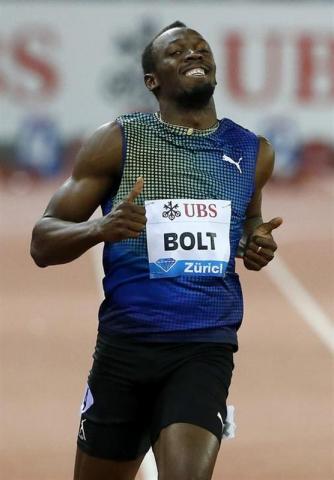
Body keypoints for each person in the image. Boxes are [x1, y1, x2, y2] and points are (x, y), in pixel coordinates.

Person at [31, 21, 282, 480]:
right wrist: (99, 229)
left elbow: (246, 224)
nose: (193, 54)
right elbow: (42, 241)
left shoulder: (253, 150)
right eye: (177, 52)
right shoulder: (118, 141)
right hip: (125, 346)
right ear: (152, 81)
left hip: (204, 344)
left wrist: (255, 243)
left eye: (200, 49)